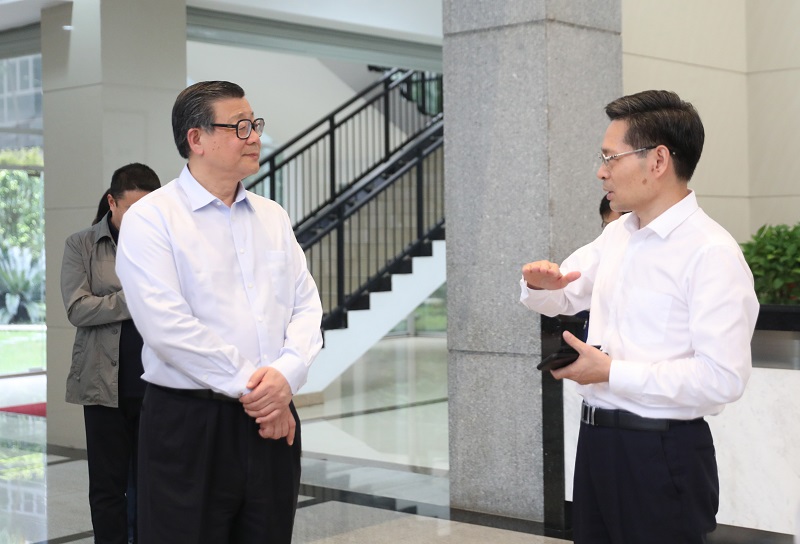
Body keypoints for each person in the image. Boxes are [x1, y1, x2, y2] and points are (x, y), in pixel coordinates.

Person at [520, 90, 759, 544]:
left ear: (658, 160)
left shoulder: (712, 253)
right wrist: (540, 285)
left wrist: (612, 372)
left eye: (610, 157)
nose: (601, 171)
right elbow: (563, 295)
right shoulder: (618, 236)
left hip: (661, 453)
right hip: (597, 445)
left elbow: (722, 378)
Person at [115, 80, 323, 544]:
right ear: (197, 138)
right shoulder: (152, 218)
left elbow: (306, 305)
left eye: (255, 125)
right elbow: (167, 327)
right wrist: (260, 392)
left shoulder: (272, 216)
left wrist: (286, 376)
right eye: (240, 127)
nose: (255, 137)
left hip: (273, 421)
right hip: (191, 423)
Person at [60, 163, 162, 544]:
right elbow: (77, 309)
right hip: (102, 386)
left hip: (156, 384)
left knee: (152, 485)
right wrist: (135, 299)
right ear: (112, 202)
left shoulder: (165, 245)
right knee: (107, 487)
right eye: (132, 209)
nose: (140, 219)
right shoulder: (81, 245)